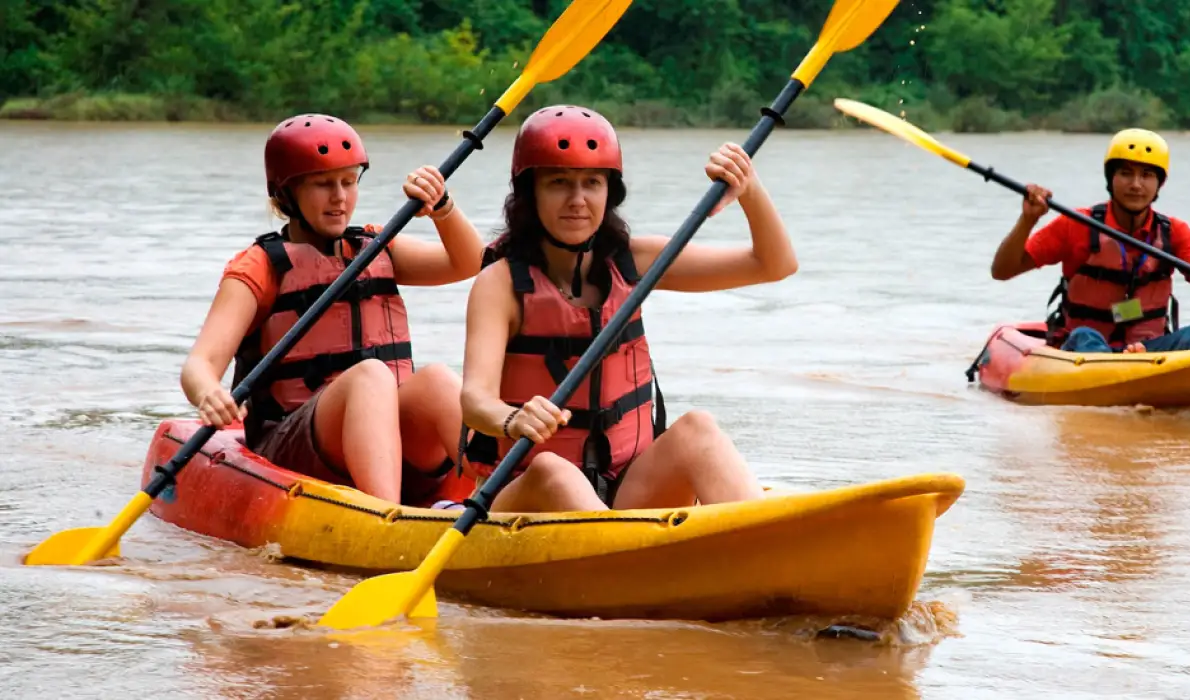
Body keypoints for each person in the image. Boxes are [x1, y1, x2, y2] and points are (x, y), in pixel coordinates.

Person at [454, 104, 797, 513]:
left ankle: (757, 540)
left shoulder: (634, 261)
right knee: (554, 468)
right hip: (524, 494)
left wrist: (750, 190)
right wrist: (513, 420)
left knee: (697, 429)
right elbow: (475, 400)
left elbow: (774, 265)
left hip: (625, 487)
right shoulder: (501, 283)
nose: (578, 200)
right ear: (530, 194)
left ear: (609, 192)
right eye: (559, 182)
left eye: (592, 183)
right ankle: (623, 564)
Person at [179, 114, 485, 506]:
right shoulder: (259, 266)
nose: (340, 197)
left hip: (391, 445)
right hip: (294, 445)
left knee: (438, 380)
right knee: (371, 376)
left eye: (348, 181)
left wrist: (442, 208)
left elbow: (470, 262)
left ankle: (500, 498)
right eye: (323, 184)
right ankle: (385, 520)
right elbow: (199, 365)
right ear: (287, 193)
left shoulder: (375, 246)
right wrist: (209, 393)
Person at [989, 128, 1190, 353]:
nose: (1136, 185)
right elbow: (1002, 270)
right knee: (1084, 335)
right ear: (1110, 178)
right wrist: (1027, 220)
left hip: (1149, 351)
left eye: (1146, 175)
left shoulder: (1174, 232)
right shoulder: (1075, 224)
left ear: (1159, 184)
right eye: (1126, 173)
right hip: (1083, 350)